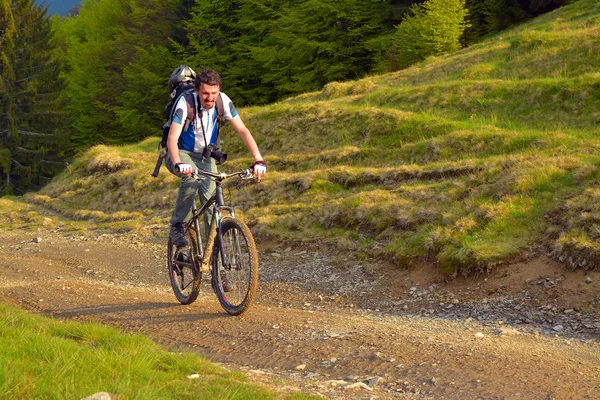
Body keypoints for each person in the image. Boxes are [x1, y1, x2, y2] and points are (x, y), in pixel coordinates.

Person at [165, 68, 266, 247]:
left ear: (218, 90)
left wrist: (258, 159)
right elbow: (172, 139)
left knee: (213, 206)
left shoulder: (223, 101)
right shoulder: (185, 103)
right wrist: (179, 163)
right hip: (180, 153)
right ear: (197, 90)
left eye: (214, 93)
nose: (210, 98)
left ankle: (214, 262)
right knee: (190, 180)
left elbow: (243, 130)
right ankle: (177, 225)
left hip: (206, 157)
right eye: (205, 93)